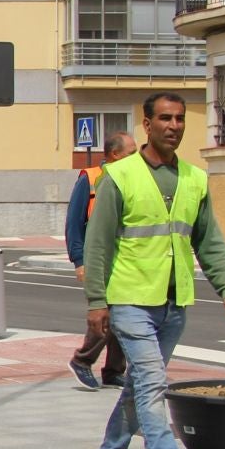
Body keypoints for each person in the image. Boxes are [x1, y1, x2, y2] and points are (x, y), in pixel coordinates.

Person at [83, 92, 225, 449]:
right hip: (131, 299)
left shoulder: (194, 178)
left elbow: (209, 240)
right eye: (166, 119)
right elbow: (98, 245)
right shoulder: (120, 177)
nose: (174, 126)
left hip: (175, 302)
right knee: (153, 381)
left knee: (139, 386)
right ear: (147, 123)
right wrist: (97, 301)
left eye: (180, 119)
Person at [66, 131, 135, 391]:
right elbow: (74, 223)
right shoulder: (91, 178)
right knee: (107, 313)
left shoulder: (132, 178)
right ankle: (82, 361)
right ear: (115, 154)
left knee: (124, 314)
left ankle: (114, 370)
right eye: (131, 153)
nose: (136, 157)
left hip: (124, 259)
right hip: (98, 260)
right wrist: (79, 261)